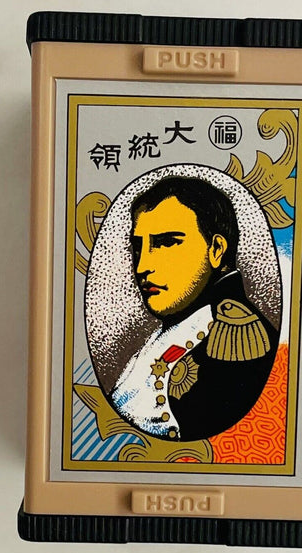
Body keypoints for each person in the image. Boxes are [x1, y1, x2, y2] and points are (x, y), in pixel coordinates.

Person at [110, 177, 279, 441]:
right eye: (138, 247)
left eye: (166, 243)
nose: (143, 266)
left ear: (216, 249)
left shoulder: (237, 336)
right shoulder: (178, 324)